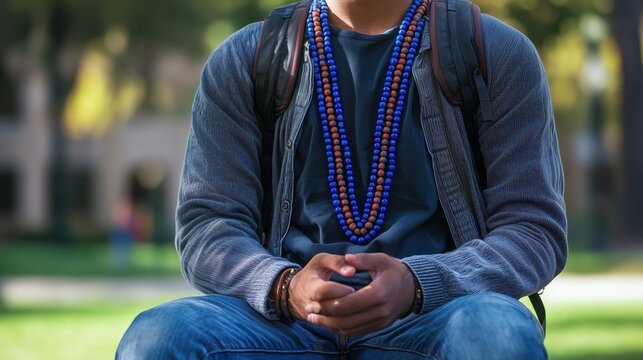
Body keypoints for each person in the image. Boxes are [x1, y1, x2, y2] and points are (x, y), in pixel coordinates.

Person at [117, 0, 567, 358]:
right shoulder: (245, 60)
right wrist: (284, 286)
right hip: (282, 327)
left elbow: (534, 232)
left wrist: (418, 283)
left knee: (499, 336)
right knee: (156, 338)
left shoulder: (495, 54)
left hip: (441, 315)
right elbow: (207, 227)